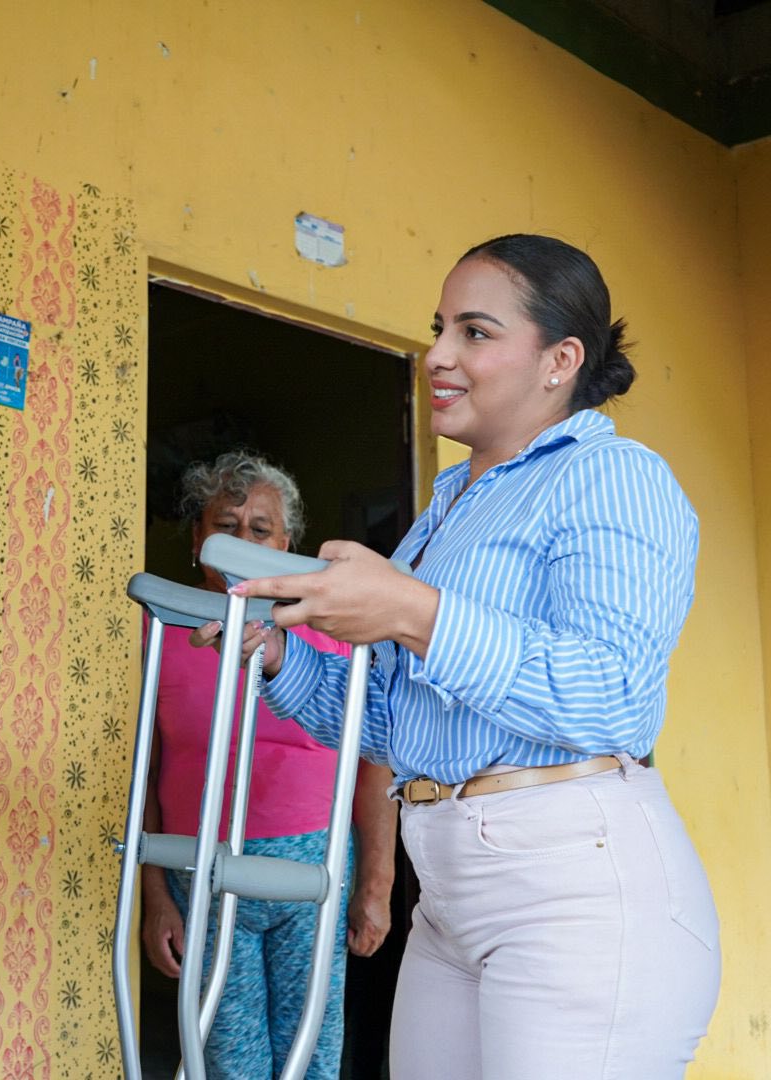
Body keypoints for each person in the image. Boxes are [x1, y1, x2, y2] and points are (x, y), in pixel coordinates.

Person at [223, 235, 720, 1079]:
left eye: (475, 332)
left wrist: (414, 611)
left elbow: (614, 695)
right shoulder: (448, 507)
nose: (438, 355)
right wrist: (278, 659)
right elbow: (397, 725)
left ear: (561, 360)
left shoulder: (612, 475)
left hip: (573, 888)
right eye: (439, 328)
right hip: (447, 895)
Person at [141, 450, 397, 1080]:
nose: (243, 542)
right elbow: (141, 773)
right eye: (225, 527)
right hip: (202, 868)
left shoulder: (331, 635)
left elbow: (373, 763)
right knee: (230, 1058)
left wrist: (376, 882)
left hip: (312, 866)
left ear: (286, 545)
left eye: (260, 529)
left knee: (313, 1052)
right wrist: (156, 897)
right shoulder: (162, 631)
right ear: (197, 539)